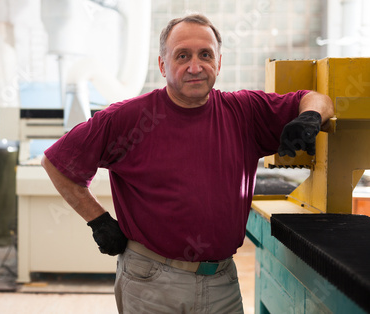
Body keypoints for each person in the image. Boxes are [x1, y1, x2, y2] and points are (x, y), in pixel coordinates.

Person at [41, 14, 334, 313]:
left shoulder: (244, 112)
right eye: (183, 56)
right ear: (162, 65)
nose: (195, 67)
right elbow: (56, 161)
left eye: (205, 55)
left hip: (222, 282)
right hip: (151, 281)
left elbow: (317, 98)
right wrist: (99, 220)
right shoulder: (127, 119)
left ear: (218, 63)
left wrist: (309, 117)